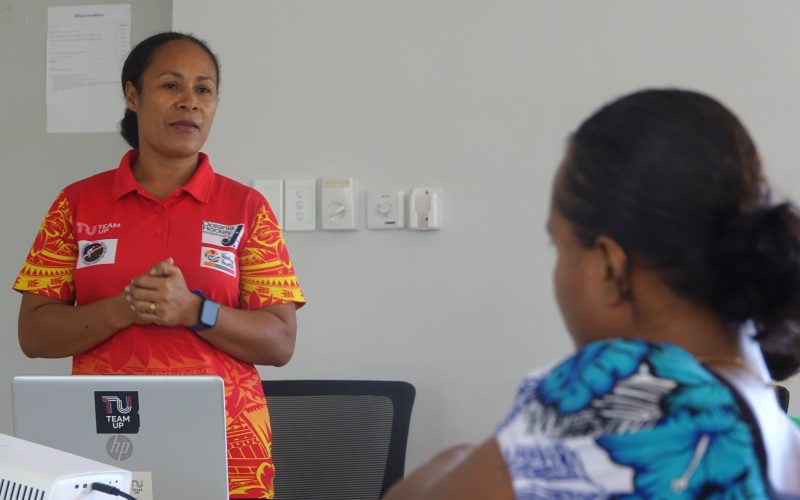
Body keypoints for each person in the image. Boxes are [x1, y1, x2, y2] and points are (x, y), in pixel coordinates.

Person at [383, 89, 800, 499]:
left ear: (609, 267)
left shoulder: (628, 388)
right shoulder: (773, 418)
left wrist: (454, 459)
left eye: (559, 247)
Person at [13, 32, 304, 499]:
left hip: (228, 447)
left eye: (204, 89)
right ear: (133, 95)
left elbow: (279, 342)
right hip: (101, 440)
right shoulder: (76, 203)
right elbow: (34, 334)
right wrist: (125, 308)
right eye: (171, 86)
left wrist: (195, 310)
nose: (190, 102)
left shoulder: (247, 207)